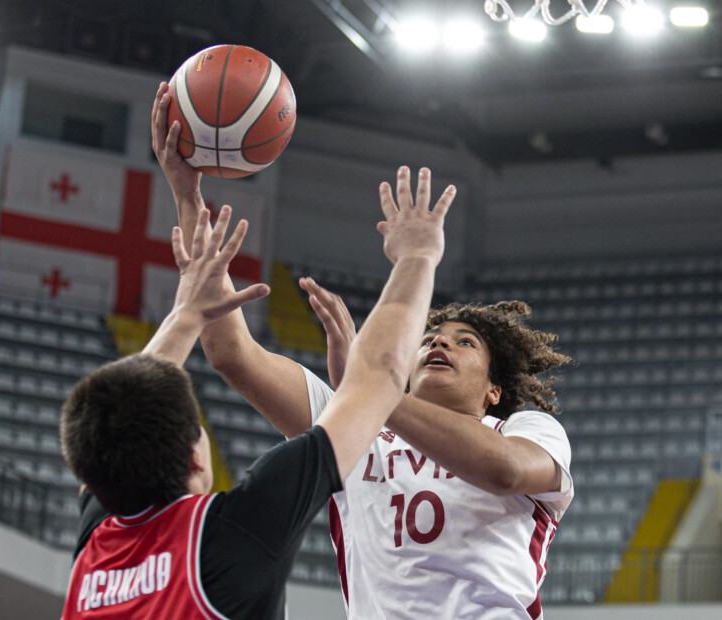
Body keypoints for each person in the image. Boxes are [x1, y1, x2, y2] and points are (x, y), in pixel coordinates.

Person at [151, 84, 574, 618]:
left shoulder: (527, 430)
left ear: (495, 390)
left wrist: (373, 387)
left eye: (465, 343)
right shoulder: (355, 426)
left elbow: (506, 472)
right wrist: (187, 196)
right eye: (427, 340)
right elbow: (230, 350)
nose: (440, 341)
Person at [59, 104, 455, 617]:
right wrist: (418, 255)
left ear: (89, 473)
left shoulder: (97, 552)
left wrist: (187, 300)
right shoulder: (232, 536)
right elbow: (378, 377)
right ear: (196, 459)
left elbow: (124, 409)